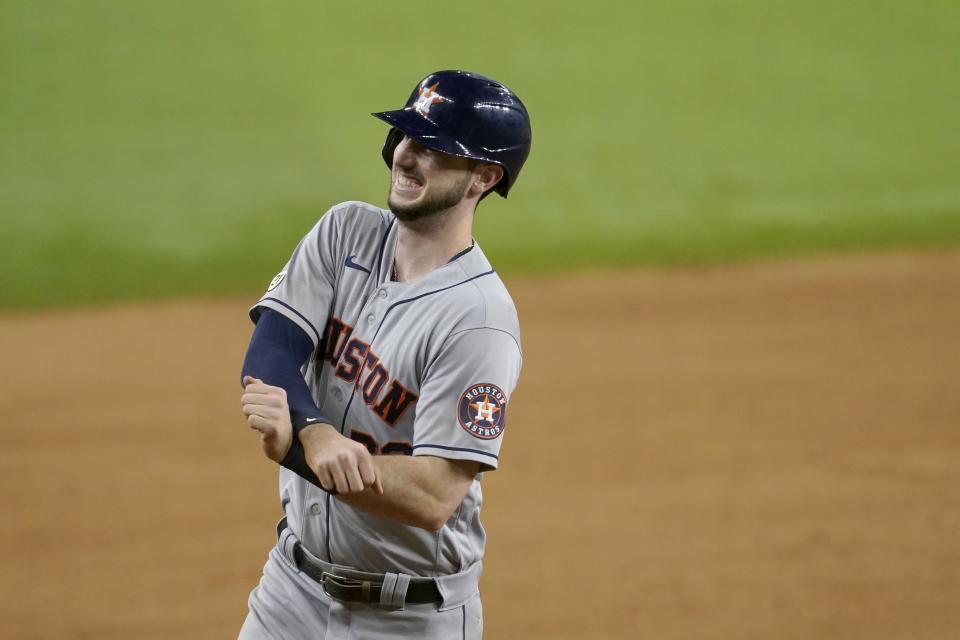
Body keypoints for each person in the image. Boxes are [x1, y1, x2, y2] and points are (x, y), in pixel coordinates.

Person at [236, 70, 532, 639]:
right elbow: (271, 351)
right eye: (406, 138)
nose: (407, 156)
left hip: (407, 620)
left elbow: (432, 495)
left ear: (484, 177)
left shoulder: (480, 320)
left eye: (435, 149)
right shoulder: (345, 232)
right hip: (288, 594)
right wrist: (315, 434)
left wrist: (296, 451)